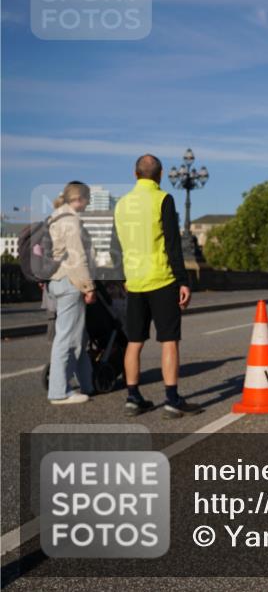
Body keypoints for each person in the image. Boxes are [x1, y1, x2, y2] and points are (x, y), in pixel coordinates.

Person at [111, 154, 202, 418]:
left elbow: (115, 247)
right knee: (169, 341)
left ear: (135, 173)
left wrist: (123, 278)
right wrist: (183, 282)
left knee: (134, 342)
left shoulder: (122, 204)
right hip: (162, 279)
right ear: (160, 175)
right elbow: (173, 244)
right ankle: (172, 399)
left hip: (135, 282)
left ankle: (132, 397)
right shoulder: (163, 199)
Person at [46, 182, 97, 404]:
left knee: (78, 336)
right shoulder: (71, 221)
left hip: (56, 281)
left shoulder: (54, 218)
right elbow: (78, 258)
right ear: (80, 198)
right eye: (88, 199)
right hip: (70, 282)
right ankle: (59, 392)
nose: (88, 203)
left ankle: (87, 383)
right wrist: (89, 287)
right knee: (67, 338)